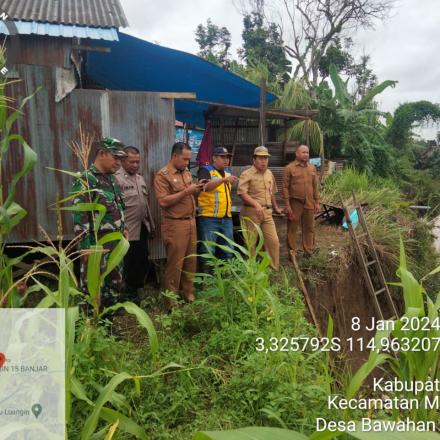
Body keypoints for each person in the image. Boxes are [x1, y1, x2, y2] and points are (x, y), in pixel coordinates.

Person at [71, 137, 128, 308]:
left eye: (121, 159)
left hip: (115, 244)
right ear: (102, 153)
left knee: (113, 287)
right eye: (115, 158)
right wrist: (85, 247)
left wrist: (123, 229)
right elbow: (80, 216)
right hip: (96, 245)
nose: (118, 163)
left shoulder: (112, 180)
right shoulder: (87, 179)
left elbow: (117, 207)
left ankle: (107, 326)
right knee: (92, 290)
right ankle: (89, 329)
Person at [154, 142, 203, 305]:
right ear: (175, 156)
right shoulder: (163, 175)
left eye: (189, 160)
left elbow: (190, 194)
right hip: (175, 225)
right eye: (185, 159)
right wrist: (186, 192)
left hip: (191, 222)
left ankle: (188, 293)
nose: (187, 163)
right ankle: (171, 302)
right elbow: (163, 202)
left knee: (191, 260)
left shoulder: (187, 172)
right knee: (175, 263)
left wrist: (197, 189)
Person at [115, 146, 155, 300]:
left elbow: (145, 204)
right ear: (123, 161)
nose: (136, 165)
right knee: (126, 262)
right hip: (126, 230)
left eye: (138, 162)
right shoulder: (116, 179)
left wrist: (151, 225)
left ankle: (133, 291)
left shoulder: (140, 178)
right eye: (132, 162)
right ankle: (121, 293)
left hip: (141, 227)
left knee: (141, 259)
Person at [237, 146, 282, 270]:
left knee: (274, 242)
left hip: (267, 213)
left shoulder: (269, 173)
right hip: (251, 213)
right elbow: (242, 193)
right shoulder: (247, 174)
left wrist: (276, 207)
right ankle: (251, 272)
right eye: (261, 158)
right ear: (254, 160)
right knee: (251, 244)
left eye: (266, 158)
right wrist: (256, 204)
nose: (264, 161)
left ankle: (273, 269)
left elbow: (272, 192)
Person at [197, 146, 239, 272]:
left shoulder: (228, 172)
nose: (226, 160)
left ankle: (225, 279)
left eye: (227, 157)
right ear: (214, 158)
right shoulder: (205, 170)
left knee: (228, 250)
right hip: (209, 218)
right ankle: (206, 283)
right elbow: (205, 187)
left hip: (226, 218)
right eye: (223, 157)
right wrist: (223, 180)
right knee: (208, 251)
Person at [283, 144, 321, 256]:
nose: (306, 154)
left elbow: (315, 186)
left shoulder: (312, 168)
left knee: (309, 228)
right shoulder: (289, 168)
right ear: (297, 154)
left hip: (309, 202)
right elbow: (285, 188)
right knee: (292, 228)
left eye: (307, 152)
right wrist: (287, 205)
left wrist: (317, 202)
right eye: (303, 152)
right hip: (295, 203)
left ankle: (308, 251)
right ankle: (292, 252)